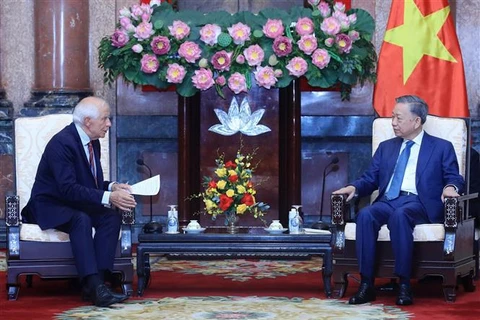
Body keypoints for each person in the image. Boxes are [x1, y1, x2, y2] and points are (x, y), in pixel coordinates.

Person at [333, 95, 464, 306]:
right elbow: (370, 178)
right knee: (365, 215)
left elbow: (454, 177)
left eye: (399, 118)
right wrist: (353, 187)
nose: (393, 122)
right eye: (392, 117)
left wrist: (450, 188)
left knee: (400, 216)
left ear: (417, 121)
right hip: (389, 200)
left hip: (419, 202)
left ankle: (404, 284)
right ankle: (366, 284)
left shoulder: (441, 147)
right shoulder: (387, 147)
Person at [21, 96, 137, 307]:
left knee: (110, 216)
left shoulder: (93, 142)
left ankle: (98, 283)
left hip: (72, 201)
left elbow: (89, 183)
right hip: (49, 204)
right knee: (80, 219)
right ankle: (93, 285)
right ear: (87, 122)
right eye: (105, 119)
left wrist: (112, 187)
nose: (109, 124)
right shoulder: (62, 143)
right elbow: (67, 189)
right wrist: (108, 197)